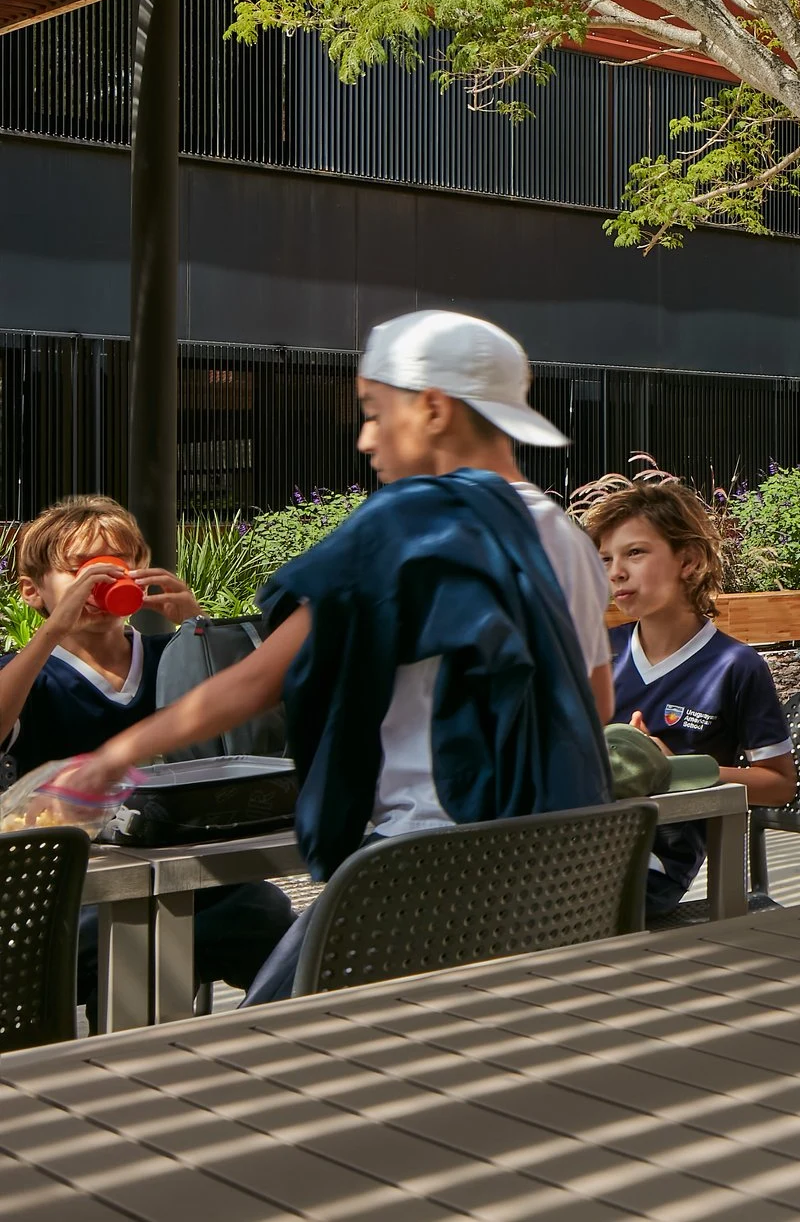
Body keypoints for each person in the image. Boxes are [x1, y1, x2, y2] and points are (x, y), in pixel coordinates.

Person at [58, 310, 611, 1001]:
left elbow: (260, 679)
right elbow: (597, 705)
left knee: (265, 1038)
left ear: (434, 409)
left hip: (425, 869)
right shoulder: (565, 538)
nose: (365, 438)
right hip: (554, 870)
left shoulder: (408, 525)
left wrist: (110, 760)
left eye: (376, 412)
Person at [0, 497, 293, 1005]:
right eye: (80, 571)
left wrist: (198, 629)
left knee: (267, 915)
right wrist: (51, 631)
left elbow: (238, 734)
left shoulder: (171, 657)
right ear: (32, 591)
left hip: (194, 878)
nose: (100, 584)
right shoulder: (28, 674)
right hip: (75, 893)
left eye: (116, 567)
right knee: (95, 950)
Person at [589, 480, 796, 915]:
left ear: (688, 560)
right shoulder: (597, 651)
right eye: (607, 558)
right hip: (575, 834)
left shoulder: (736, 667)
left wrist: (671, 770)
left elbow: (779, 786)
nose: (616, 571)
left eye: (636, 553)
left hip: (650, 863)